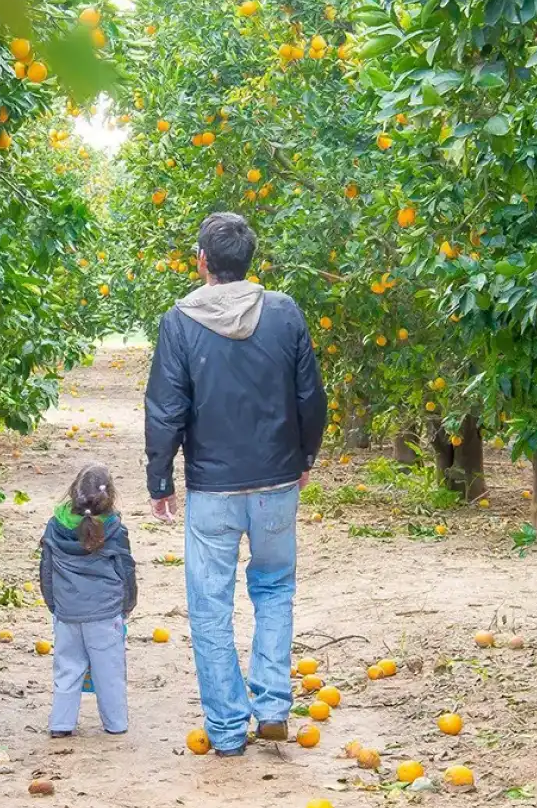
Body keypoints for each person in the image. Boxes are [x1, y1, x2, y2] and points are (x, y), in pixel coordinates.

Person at [144, 212, 327, 756]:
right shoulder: (284, 312)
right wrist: (306, 454)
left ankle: (226, 728)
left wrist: (161, 479)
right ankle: (271, 707)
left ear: (203, 262)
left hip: (212, 490)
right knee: (274, 589)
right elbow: (310, 397)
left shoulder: (180, 322)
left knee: (209, 604)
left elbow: (165, 408)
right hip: (276, 480)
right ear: (250, 260)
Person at [38, 463, 137, 738]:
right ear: (110, 497)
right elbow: (126, 570)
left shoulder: (54, 526)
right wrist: (127, 604)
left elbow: (45, 569)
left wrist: (54, 605)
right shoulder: (115, 529)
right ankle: (115, 724)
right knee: (110, 672)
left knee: (67, 669)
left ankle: (61, 725)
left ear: (73, 493)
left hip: (67, 612)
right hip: (105, 614)